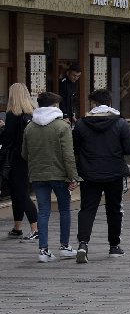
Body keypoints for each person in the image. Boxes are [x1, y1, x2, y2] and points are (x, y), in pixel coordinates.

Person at [72, 89, 130, 263]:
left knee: (87, 209)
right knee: (114, 209)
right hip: (114, 172)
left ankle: (83, 244)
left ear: (93, 104)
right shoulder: (120, 123)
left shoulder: (81, 124)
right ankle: (114, 246)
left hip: (89, 173)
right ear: (110, 102)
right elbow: (129, 149)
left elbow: (75, 148)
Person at [22, 92, 78, 262]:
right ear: (54, 106)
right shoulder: (62, 126)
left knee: (43, 211)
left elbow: (24, 153)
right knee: (64, 209)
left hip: (38, 174)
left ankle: (43, 250)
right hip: (59, 174)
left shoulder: (29, 127)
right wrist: (73, 176)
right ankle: (65, 246)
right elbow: (68, 155)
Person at [2, 83, 39, 240]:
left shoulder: (13, 114)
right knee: (17, 193)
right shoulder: (32, 114)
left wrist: (2, 129)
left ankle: (35, 229)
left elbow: (7, 139)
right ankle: (17, 228)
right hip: (29, 158)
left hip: (15, 159)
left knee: (21, 194)